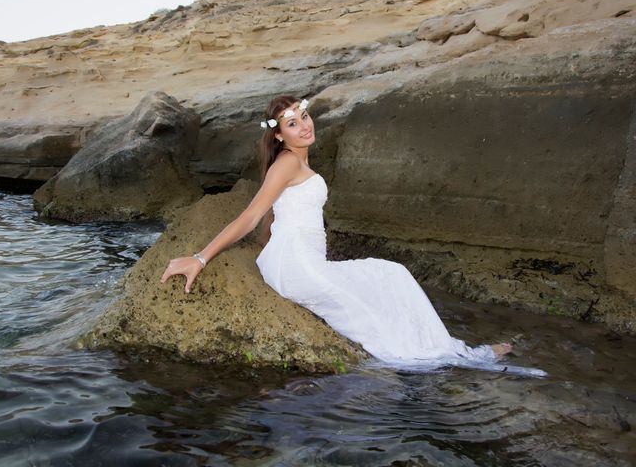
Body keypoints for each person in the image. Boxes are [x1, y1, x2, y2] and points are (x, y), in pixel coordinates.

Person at [160, 95, 512, 366]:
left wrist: (265, 248)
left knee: (394, 274)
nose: (305, 126)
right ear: (279, 135)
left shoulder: (294, 161)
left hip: (301, 258)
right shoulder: (286, 161)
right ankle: (440, 359)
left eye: (305, 117)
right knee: (367, 312)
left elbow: (271, 218)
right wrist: (200, 258)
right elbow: (252, 215)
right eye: (292, 124)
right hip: (297, 264)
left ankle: (449, 350)